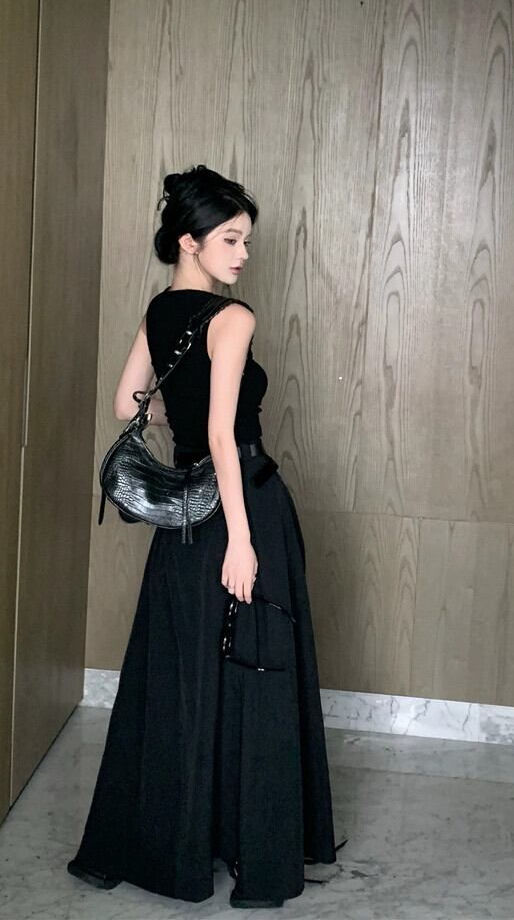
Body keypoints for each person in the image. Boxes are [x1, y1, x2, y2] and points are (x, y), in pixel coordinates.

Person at [67, 165, 340, 908]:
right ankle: (255, 848)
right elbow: (225, 435)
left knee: (184, 671)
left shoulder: (160, 313)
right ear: (189, 240)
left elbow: (126, 400)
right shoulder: (232, 318)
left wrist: (178, 419)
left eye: (246, 240)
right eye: (230, 239)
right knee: (255, 668)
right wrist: (243, 542)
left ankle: (176, 842)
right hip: (244, 504)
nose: (243, 254)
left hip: (186, 514)